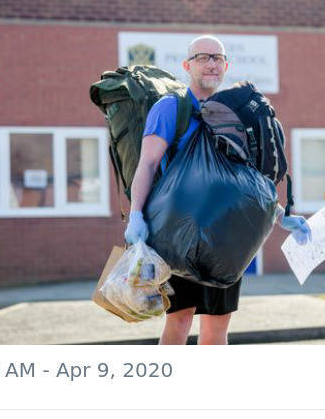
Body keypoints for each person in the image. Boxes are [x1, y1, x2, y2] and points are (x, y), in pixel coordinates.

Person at [125, 34, 311, 345]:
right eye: (202, 57)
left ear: (226, 65)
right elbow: (146, 164)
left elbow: (243, 186)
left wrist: (282, 217)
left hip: (226, 239)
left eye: (217, 58)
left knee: (217, 327)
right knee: (179, 321)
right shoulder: (171, 107)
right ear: (187, 65)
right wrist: (135, 216)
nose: (211, 63)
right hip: (178, 235)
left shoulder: (233, 115)